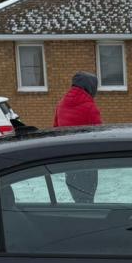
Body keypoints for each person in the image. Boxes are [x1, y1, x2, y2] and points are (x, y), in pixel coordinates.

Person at [52, 71, 103, 202]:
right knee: (87, 200)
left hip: (69, 161)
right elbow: (100, 136)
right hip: (87, 161)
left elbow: (56, 130)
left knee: (78, 199)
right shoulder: (90, 108)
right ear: (90, 88)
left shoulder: (61, 105)